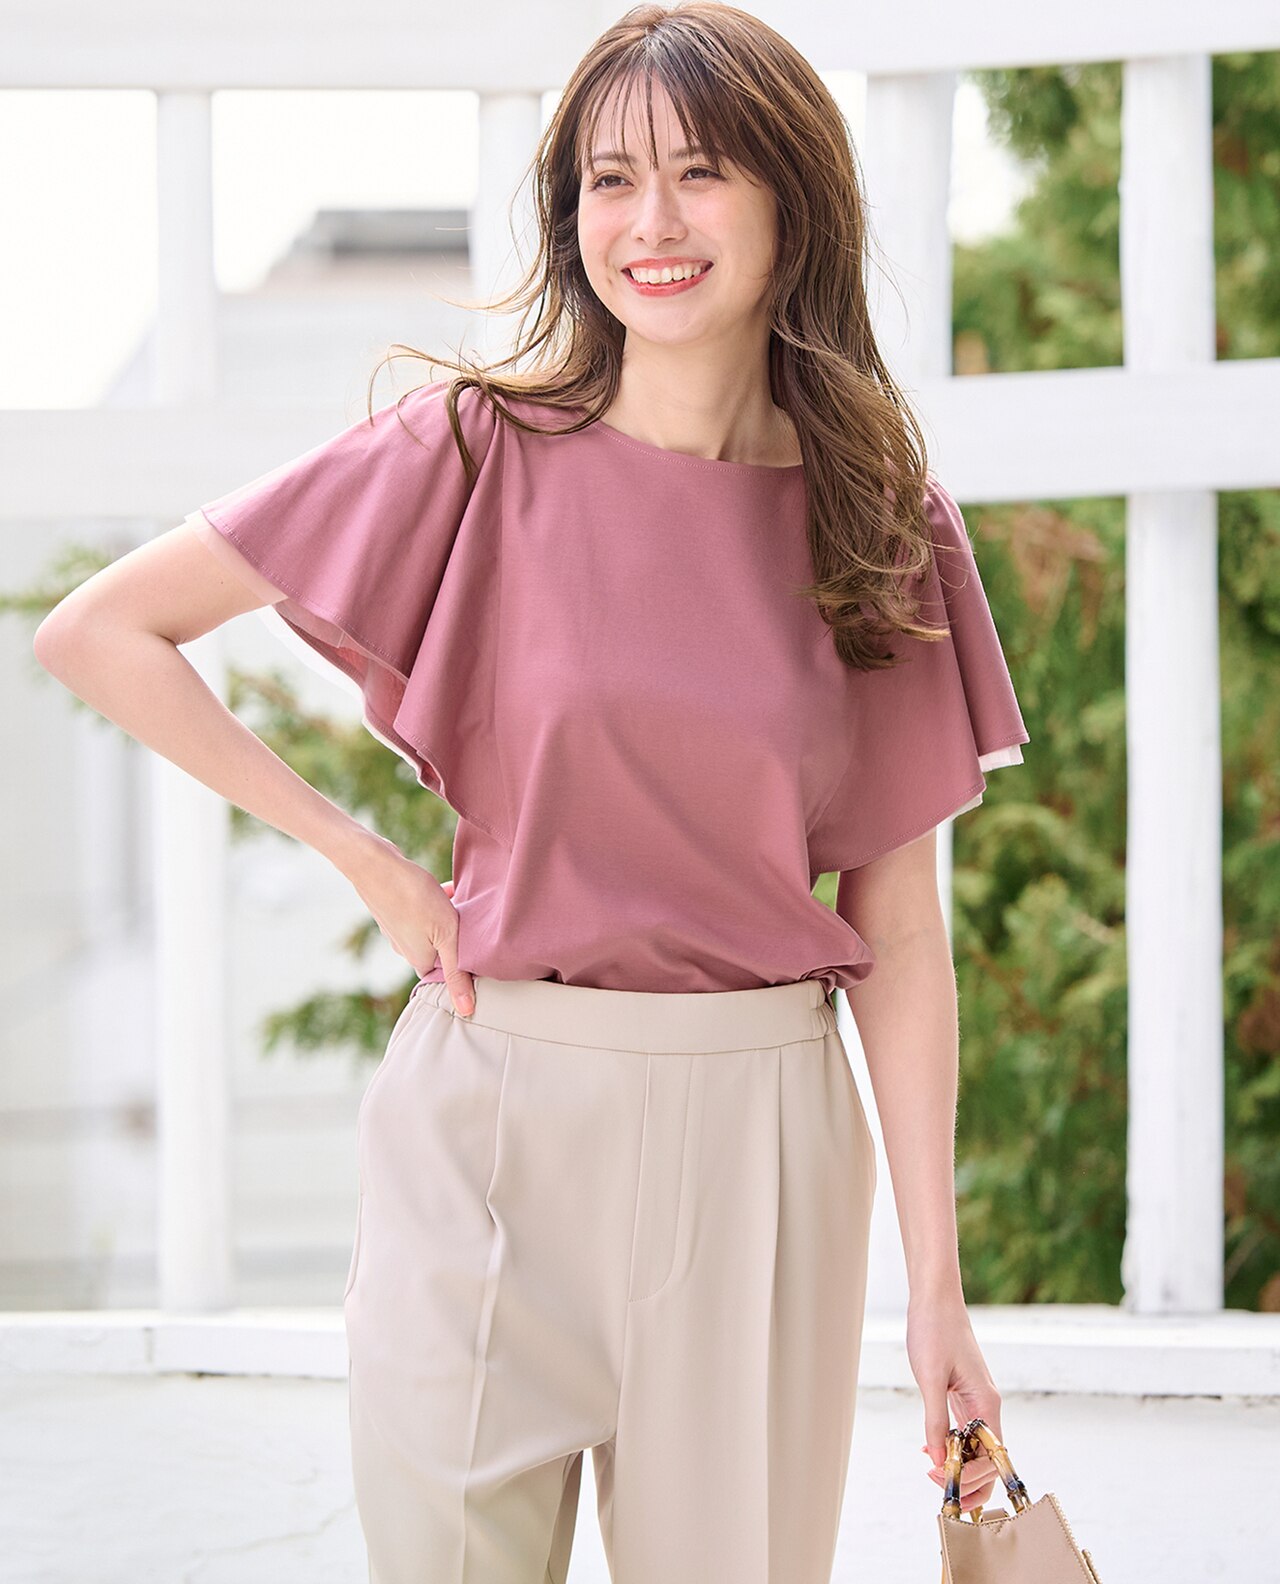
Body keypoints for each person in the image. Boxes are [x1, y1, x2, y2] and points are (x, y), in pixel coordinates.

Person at [33, 3, 1030, 1580]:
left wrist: (937, 1289)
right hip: (489, 1122)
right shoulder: (472, 450)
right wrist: (367, 862)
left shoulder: (880, 522)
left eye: (700, 173)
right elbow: (103, 631)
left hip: (760, 1141)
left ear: (791, 201)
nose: (651, 223)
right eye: (609, 179)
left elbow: (899, 928)